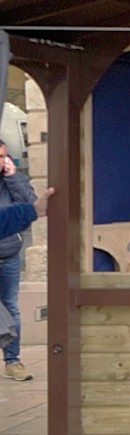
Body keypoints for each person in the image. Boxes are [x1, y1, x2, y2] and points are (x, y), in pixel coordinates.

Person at [0, 140, 36, 381]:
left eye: (4, 156)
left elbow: (30, 205)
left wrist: (13, 177)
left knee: (11, 307)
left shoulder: (12, 180)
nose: (2, 160)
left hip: (9, 254)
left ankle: (13, 361)